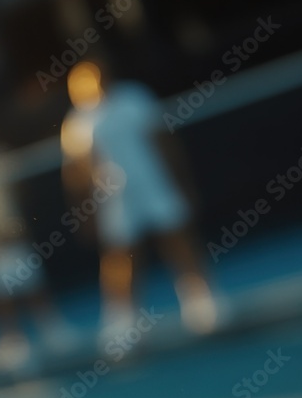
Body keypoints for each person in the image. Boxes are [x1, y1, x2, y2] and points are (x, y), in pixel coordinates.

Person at [60, 61, 222, 339]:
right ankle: (121, 322)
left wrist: (182, 182)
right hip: (114, 200)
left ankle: (201, 302)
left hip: (153, 185)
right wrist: (83, 212)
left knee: (178, 240)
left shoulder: (135, 98)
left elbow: (165, 142)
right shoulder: (76, 122)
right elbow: (75, 174)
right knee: (121, 256)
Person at [0, 140, 79, 371]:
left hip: (14, 237)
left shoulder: (0, 160)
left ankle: (53, 332)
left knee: (33, 285)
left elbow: (19, 192)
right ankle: (13, 344)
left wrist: (18, 229)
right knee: (0, 296)